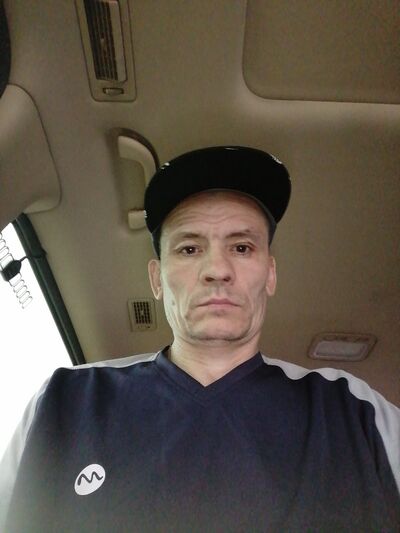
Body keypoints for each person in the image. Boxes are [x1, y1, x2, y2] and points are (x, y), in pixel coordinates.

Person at [0, 146, 399, 532]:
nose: (217, 269)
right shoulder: (62, 405)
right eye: (190, 249)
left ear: (271, 274)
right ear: (157, 279)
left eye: (241, 247)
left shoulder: (357, 413)